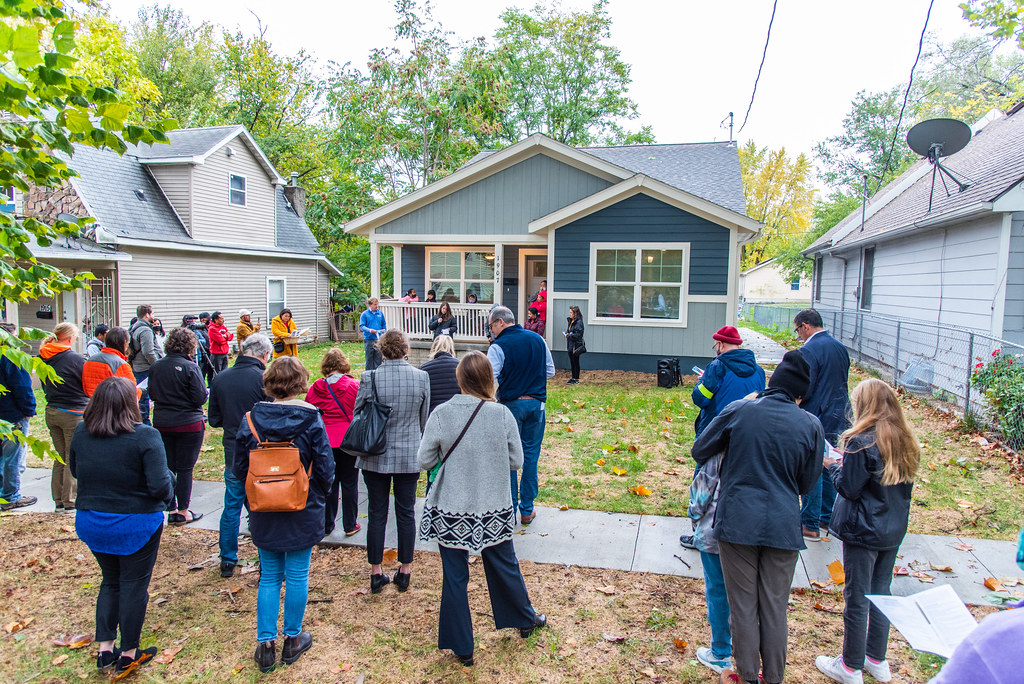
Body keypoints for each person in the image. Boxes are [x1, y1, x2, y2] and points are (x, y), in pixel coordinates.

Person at [692, 350, 823, 684]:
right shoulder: (811, 425)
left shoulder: (741, 410)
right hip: (783, 525)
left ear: (772, 382)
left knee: (743, 604)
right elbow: (807, 484)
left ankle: (748, 676)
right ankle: (773, 678)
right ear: (799, 395)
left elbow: (700, 448)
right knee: (775, 607)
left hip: (736, 522)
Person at [418, 351, 547, 667]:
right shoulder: (501, 415)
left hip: (451, 507)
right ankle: (524, 618)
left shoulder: (441, 414)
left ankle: (462, 646)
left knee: (454, 575)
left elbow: (424, 460)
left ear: (459, 379)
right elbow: (517, 460)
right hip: (493, 505)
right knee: (504, 564)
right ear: (489, 379)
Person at [814, 379, 920, 684]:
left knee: (857, 597)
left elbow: (848, 487)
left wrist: (832, 464)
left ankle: (849, 666)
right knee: (881, 593)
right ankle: (877, 658)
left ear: (866, 405)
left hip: (863, 528)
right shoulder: (904, 438)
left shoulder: (860, 440)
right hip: (892, 528)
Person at [234, 356, 334, 673]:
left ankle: (266, 645)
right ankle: (292, 638)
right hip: (302, 504)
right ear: (301, 382)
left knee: (270, 576)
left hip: (263, 506)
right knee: (297, 574)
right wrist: (315, 493)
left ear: (270, 383)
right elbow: (326, 468)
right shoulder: (311, 419)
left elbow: (239, 468)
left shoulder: (250, 421)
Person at [69, 376, 174, 675]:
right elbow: (160, 488)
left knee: (110, 581)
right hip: (136, 523)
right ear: (132, 403)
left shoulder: (82, 432)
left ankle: (105, 649)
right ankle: (128, 652)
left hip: (92, 520)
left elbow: (77, 471)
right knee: (133, 585)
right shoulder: (145, 436)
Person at [684, 325, 765, 675]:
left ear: (720, 345)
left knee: (706, 485)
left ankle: (698, 529)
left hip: (717, 434)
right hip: (752, 443)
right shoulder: (760, 370)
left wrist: (702, 382)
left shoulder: (717, 367)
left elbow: (700, 398)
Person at [354, 329, 429, 593]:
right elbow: (423, 421)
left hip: (375, 453)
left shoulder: (369, 377)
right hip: (409, 454)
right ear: (406, 349)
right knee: (406, 512)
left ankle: (376, 571)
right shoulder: (421, 378)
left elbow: (358, 415)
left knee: (376, 512)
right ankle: (405, 570)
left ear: (381, 349)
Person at [209, 334, 271, 578]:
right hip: (259, 451)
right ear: (264, 355)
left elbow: (213, 419)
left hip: (232, 451)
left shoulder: (220, 378)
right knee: (263, 504)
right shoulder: (263, 379)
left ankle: (227, 558)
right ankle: (268, 557)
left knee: (232, 505)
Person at [487, 306, 555, 525]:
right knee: (531, 455)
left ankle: (509, 509)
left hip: (510, 405)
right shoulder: (538, 340)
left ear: (500, 322)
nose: (491, 332)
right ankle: (527, 508)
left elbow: (489, 376)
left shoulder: (498, 346)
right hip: (536, 404)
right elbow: (550, 371)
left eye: (491, 327)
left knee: (509, 456)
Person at [794, 308, 852, 541]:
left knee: (812, 467)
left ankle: (809, 522)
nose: (798, 335)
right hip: (841, 413)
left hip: (817, 414)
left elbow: (805, 386)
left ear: (806, 326)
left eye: (798, 330)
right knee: (831, 464)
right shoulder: (839, 347)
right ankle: (826, 516)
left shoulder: (808, 350)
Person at [147, 327, 207, 526]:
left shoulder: (156, 366)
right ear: (190, 345)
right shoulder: (190, 367)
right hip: (189, 423)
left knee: (169, 466)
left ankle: (171, 508)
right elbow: (200, 397)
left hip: (163, 422)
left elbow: (152, 393)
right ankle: (183, 510)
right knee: (185, 468)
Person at [304, 348, 361, 538]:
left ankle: (327, 524)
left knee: (329, 482)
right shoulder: (354, 385)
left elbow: (310, 412)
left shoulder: (315, 388)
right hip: (348, 439)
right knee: (350, 482)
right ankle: (350, 523)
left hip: (324, 440)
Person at [38, 322, 88, 513]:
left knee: (60, 456)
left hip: (51, 410)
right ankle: (70, 500)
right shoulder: (76, 359)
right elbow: (86, 384)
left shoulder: (43, 357)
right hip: (73, 413)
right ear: (69, 338)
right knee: (71, 456)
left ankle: (58, 499)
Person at [0, 322, 37, 511]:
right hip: (13, 415)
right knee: (12, 458)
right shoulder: (14, 358)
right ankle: (10, 495)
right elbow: (22, 387)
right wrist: (29, 410)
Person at [128, 304, 161, 425]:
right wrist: (157, 365)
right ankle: (144, 422)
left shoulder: (133, 327)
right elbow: (148, 351)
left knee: (141, 395)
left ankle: (141, 420)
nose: (153, 316)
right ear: (147, 314)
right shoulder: (145, 330)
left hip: (137, 365)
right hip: (145, 367)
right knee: (143, 397)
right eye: (152, 313)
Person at [83, 327, 137, 396]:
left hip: (93, 403)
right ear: (124, 343)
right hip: (113, 404)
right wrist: (141, 391)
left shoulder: (89, 360)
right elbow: (131, 392)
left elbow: (85, 387)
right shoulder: (121, 364)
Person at [421, 335, 460, 413]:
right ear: (451, 348)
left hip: (433, 415)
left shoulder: (424, 369)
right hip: (456, 413)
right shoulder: (461, 366)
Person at [359, 298, 386, 371]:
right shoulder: (365, 314)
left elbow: (383, 324)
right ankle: (369, 375)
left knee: (378, 358)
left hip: (378, 339)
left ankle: (377, 374)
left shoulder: (380, 313)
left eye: (377, 304)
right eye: (375, 304)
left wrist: (384, 332)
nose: (376, 306)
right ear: (370, 305)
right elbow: (362, 326)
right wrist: (369, 330)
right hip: (369, 339)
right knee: (369, 359)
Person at [564, 305, 585, 385]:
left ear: (575, 313)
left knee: (575, 361)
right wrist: (567, 334)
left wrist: (569, 335)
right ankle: (573, 377)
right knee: (572, 362)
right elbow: (570, 331)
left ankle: (576, 378)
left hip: (575, 345)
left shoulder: (579, 322)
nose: (570, 314)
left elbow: (578, 334)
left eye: (571, 312)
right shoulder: (571, 321)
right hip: (570, 344)